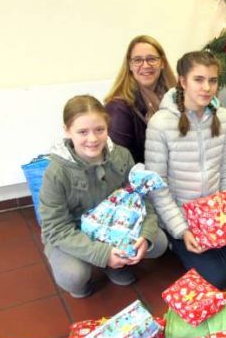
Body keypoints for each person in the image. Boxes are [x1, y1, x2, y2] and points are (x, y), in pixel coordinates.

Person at [146, 51, 226, 288]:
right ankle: (175, 243)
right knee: (217, 278)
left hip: (217, 213)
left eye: (213, 80)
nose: (207, 87)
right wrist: (182, 230)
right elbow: (158, 187)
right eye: (199, 79)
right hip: (183, 215)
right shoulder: (161, 124)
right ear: (183, 81)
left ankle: (215, 246)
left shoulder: (224, 118)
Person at [39, 95, 168, 298]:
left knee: (157, 242)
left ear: (107, 127)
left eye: (99, 130)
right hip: (73, 232)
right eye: (82, 132)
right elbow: (55, 228)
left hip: (115, 227)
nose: (92, 139)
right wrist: (102, 254)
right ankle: (94, 267)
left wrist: (145, 235)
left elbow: (140, 198)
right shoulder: (56, 172)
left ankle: (115, 264)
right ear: (67, 130)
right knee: (73, 276)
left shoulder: (122, 155)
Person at [104, 35, 176, 163]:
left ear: (162, 63)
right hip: (141, 180)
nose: (145, 65)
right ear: (130, 65)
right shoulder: (118, 109)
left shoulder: (173, 98)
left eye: (151, 59)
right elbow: (121, 165)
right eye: (137, 60)